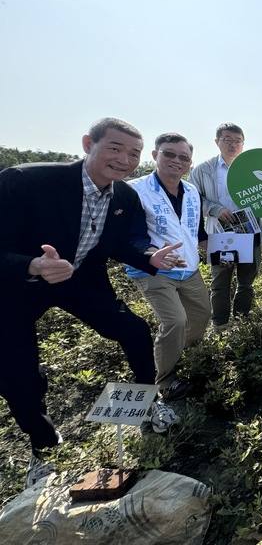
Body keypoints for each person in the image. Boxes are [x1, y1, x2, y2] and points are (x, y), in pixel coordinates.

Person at [0, 118, 183, 488]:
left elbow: (116, 245)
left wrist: (149, 259)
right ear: (88, 143)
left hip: (80, 280)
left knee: (133, 330)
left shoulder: (124, 197)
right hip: (17, 286)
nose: (124, 160)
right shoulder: (24, 181)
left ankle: (148, 402)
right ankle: (43, 447)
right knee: (18, 373)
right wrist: (32, 265)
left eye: (133, 153)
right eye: (115, 148)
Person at [126, 133, 212, 402]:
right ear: (155, 155)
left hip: (189, 268)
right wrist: (150, 254)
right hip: (153, 270)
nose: (176, 161)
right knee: (175, 321)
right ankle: (165, 381)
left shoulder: (192, 191)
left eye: (183, 157)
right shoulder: (133, 190)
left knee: (201, 315)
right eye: (169, 154)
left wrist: (208, 246)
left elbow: (195, 229)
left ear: (190, 163)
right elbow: (128, 235)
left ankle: (187, 359)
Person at [189, 123, 262, 329]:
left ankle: (241, 321)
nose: (233, 145)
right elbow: (192, 199)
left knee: (246, 282)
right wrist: (214, 209)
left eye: (237, 141)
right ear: (217, 142)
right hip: (222, 235)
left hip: (251, 233)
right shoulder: (203, 170)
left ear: (243, 144)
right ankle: (220, 324)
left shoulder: (254, 169)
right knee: (221, 282)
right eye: (227, 140)